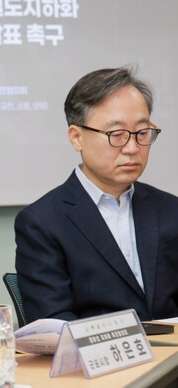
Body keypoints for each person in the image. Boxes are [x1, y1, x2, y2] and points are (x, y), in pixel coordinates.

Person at [15, 66, 178, 323]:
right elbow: (54, 323)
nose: (132, 148)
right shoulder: (42, 222)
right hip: (93, 350)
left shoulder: (171, 209)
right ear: (76, 137)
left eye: (141, 133)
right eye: (117, 135)